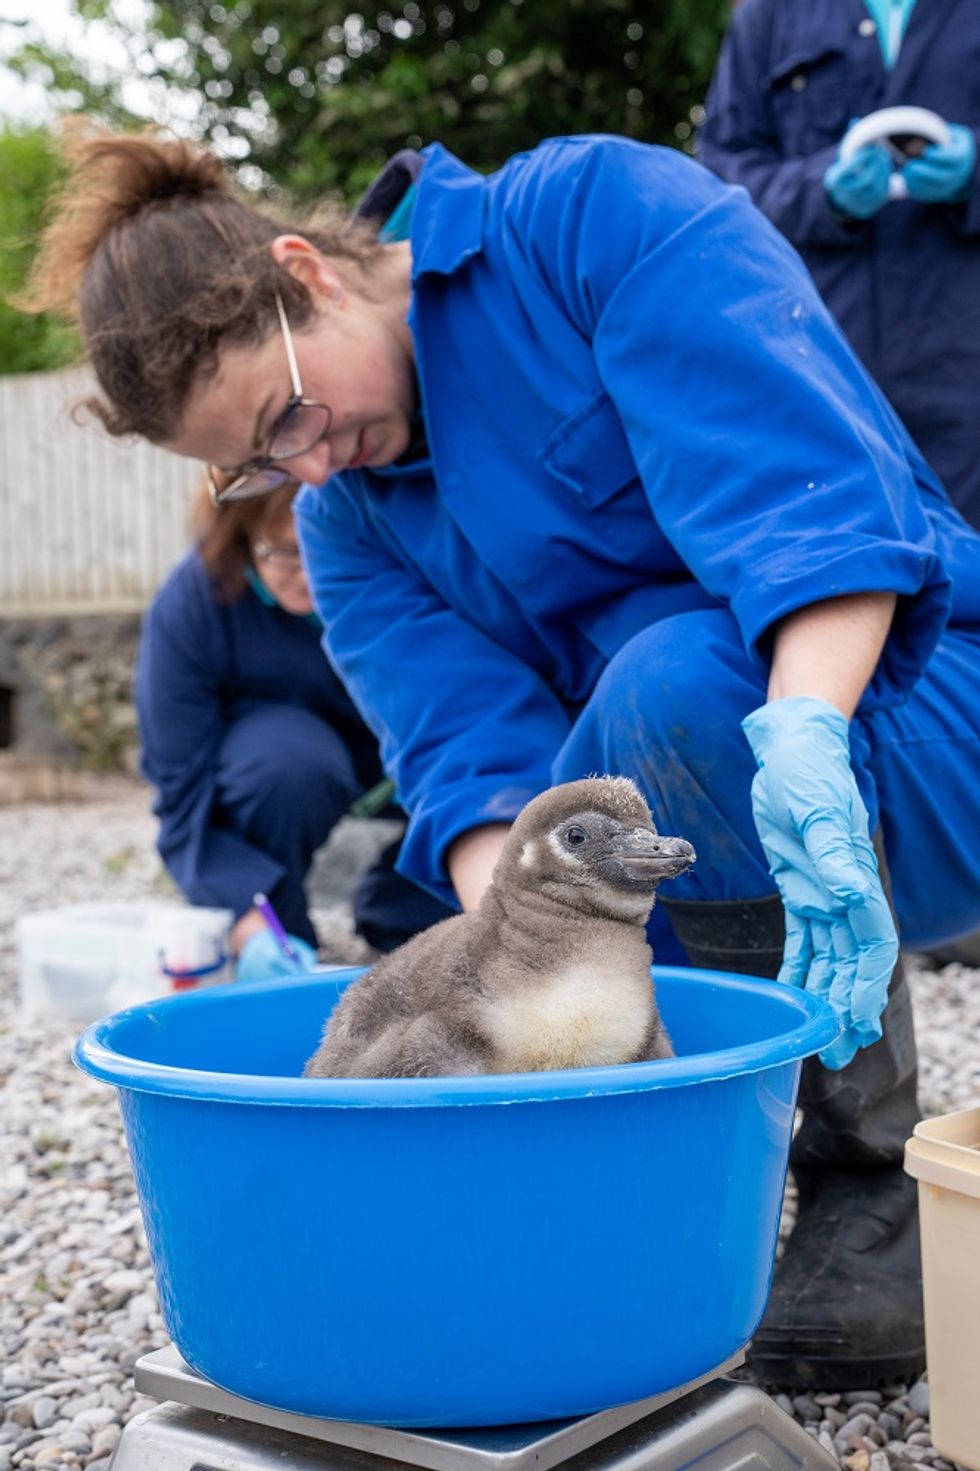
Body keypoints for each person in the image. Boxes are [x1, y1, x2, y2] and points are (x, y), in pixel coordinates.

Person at [22, 126, 980, 1390]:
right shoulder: (350, 525)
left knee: (671, 683)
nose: (308, 469)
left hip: (913, 728)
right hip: (701, 829)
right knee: (552, 892)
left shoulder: (587, 219)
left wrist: (799, 736)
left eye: (290, 414)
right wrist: (507, 979)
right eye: (262, 462)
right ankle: (642, 1189)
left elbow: (803, 503)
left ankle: (874, 1196)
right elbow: (475, 774)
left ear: (307, 274)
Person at [135, 478, 451, 979]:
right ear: (241, 533)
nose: (309, 573)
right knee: (286, 765)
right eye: (284, 552)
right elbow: (181, 801)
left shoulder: (402, 574)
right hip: (287, 770)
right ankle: (280, 936)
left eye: (322, 546)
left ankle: (398, 903)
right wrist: (249, 927)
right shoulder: (193, 607)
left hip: (402, 762)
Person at [697, 0, 980, 530]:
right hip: (820, 374)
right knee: (839, 569)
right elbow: (719, 179)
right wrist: (819, 190)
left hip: (966, 375)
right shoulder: (771, 15)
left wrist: (975, 171)